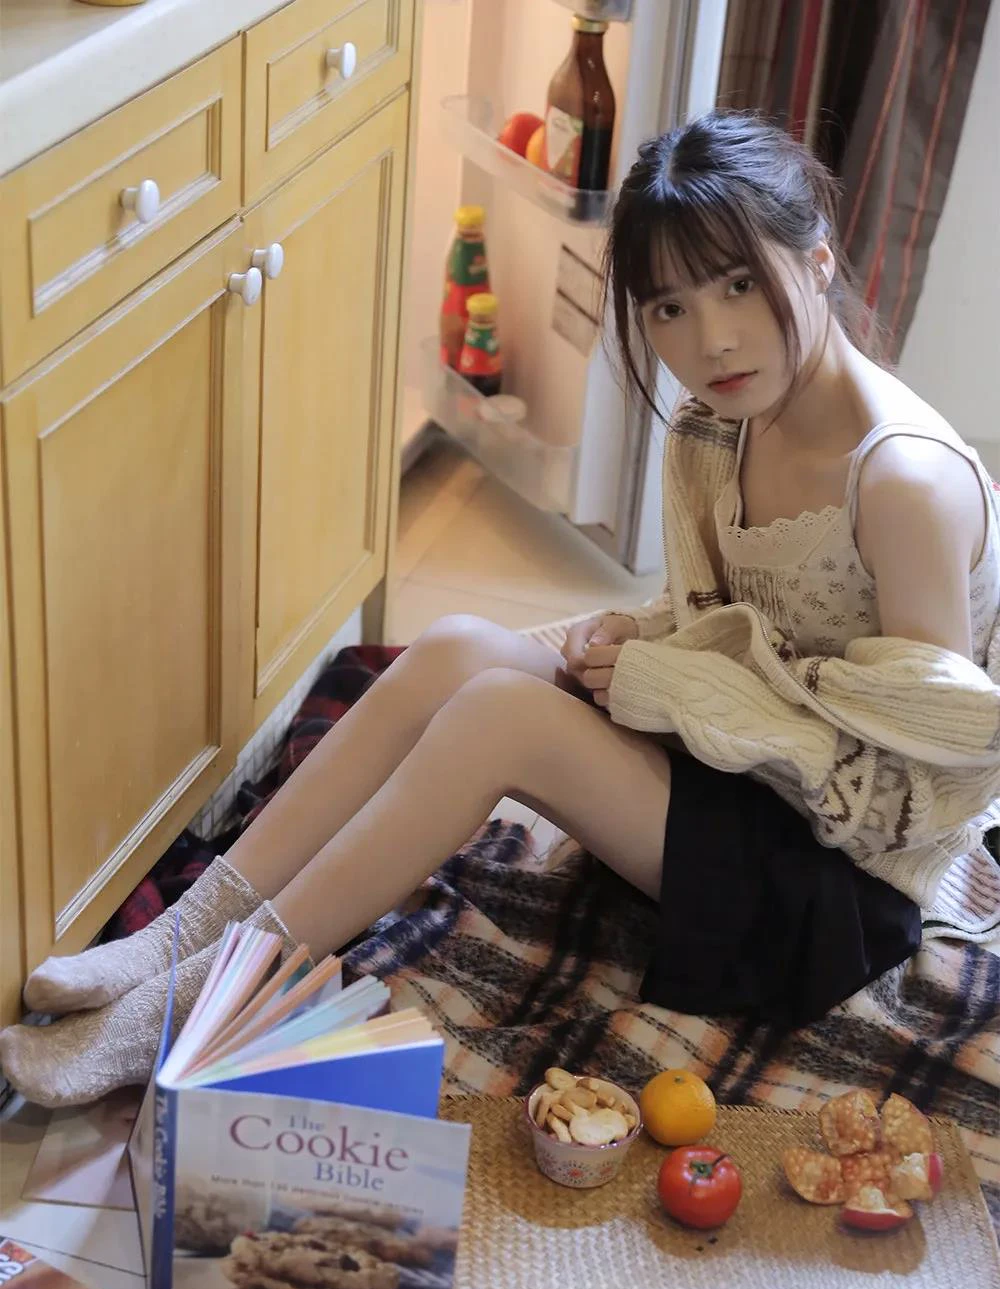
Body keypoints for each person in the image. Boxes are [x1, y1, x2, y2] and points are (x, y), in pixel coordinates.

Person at [3, 111, 998, 1109]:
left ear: (817, 260)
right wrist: (638, 639)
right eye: (669, 306)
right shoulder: (721, 424)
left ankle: (195, 1002)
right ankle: (178, 937)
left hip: (835, 891)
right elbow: (726, 619)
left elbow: (916, 794)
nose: (712, 339)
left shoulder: (903, 483)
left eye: (739, 283)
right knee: (455, 651)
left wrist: (684, 688)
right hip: (740, 785)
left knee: (500, 718)